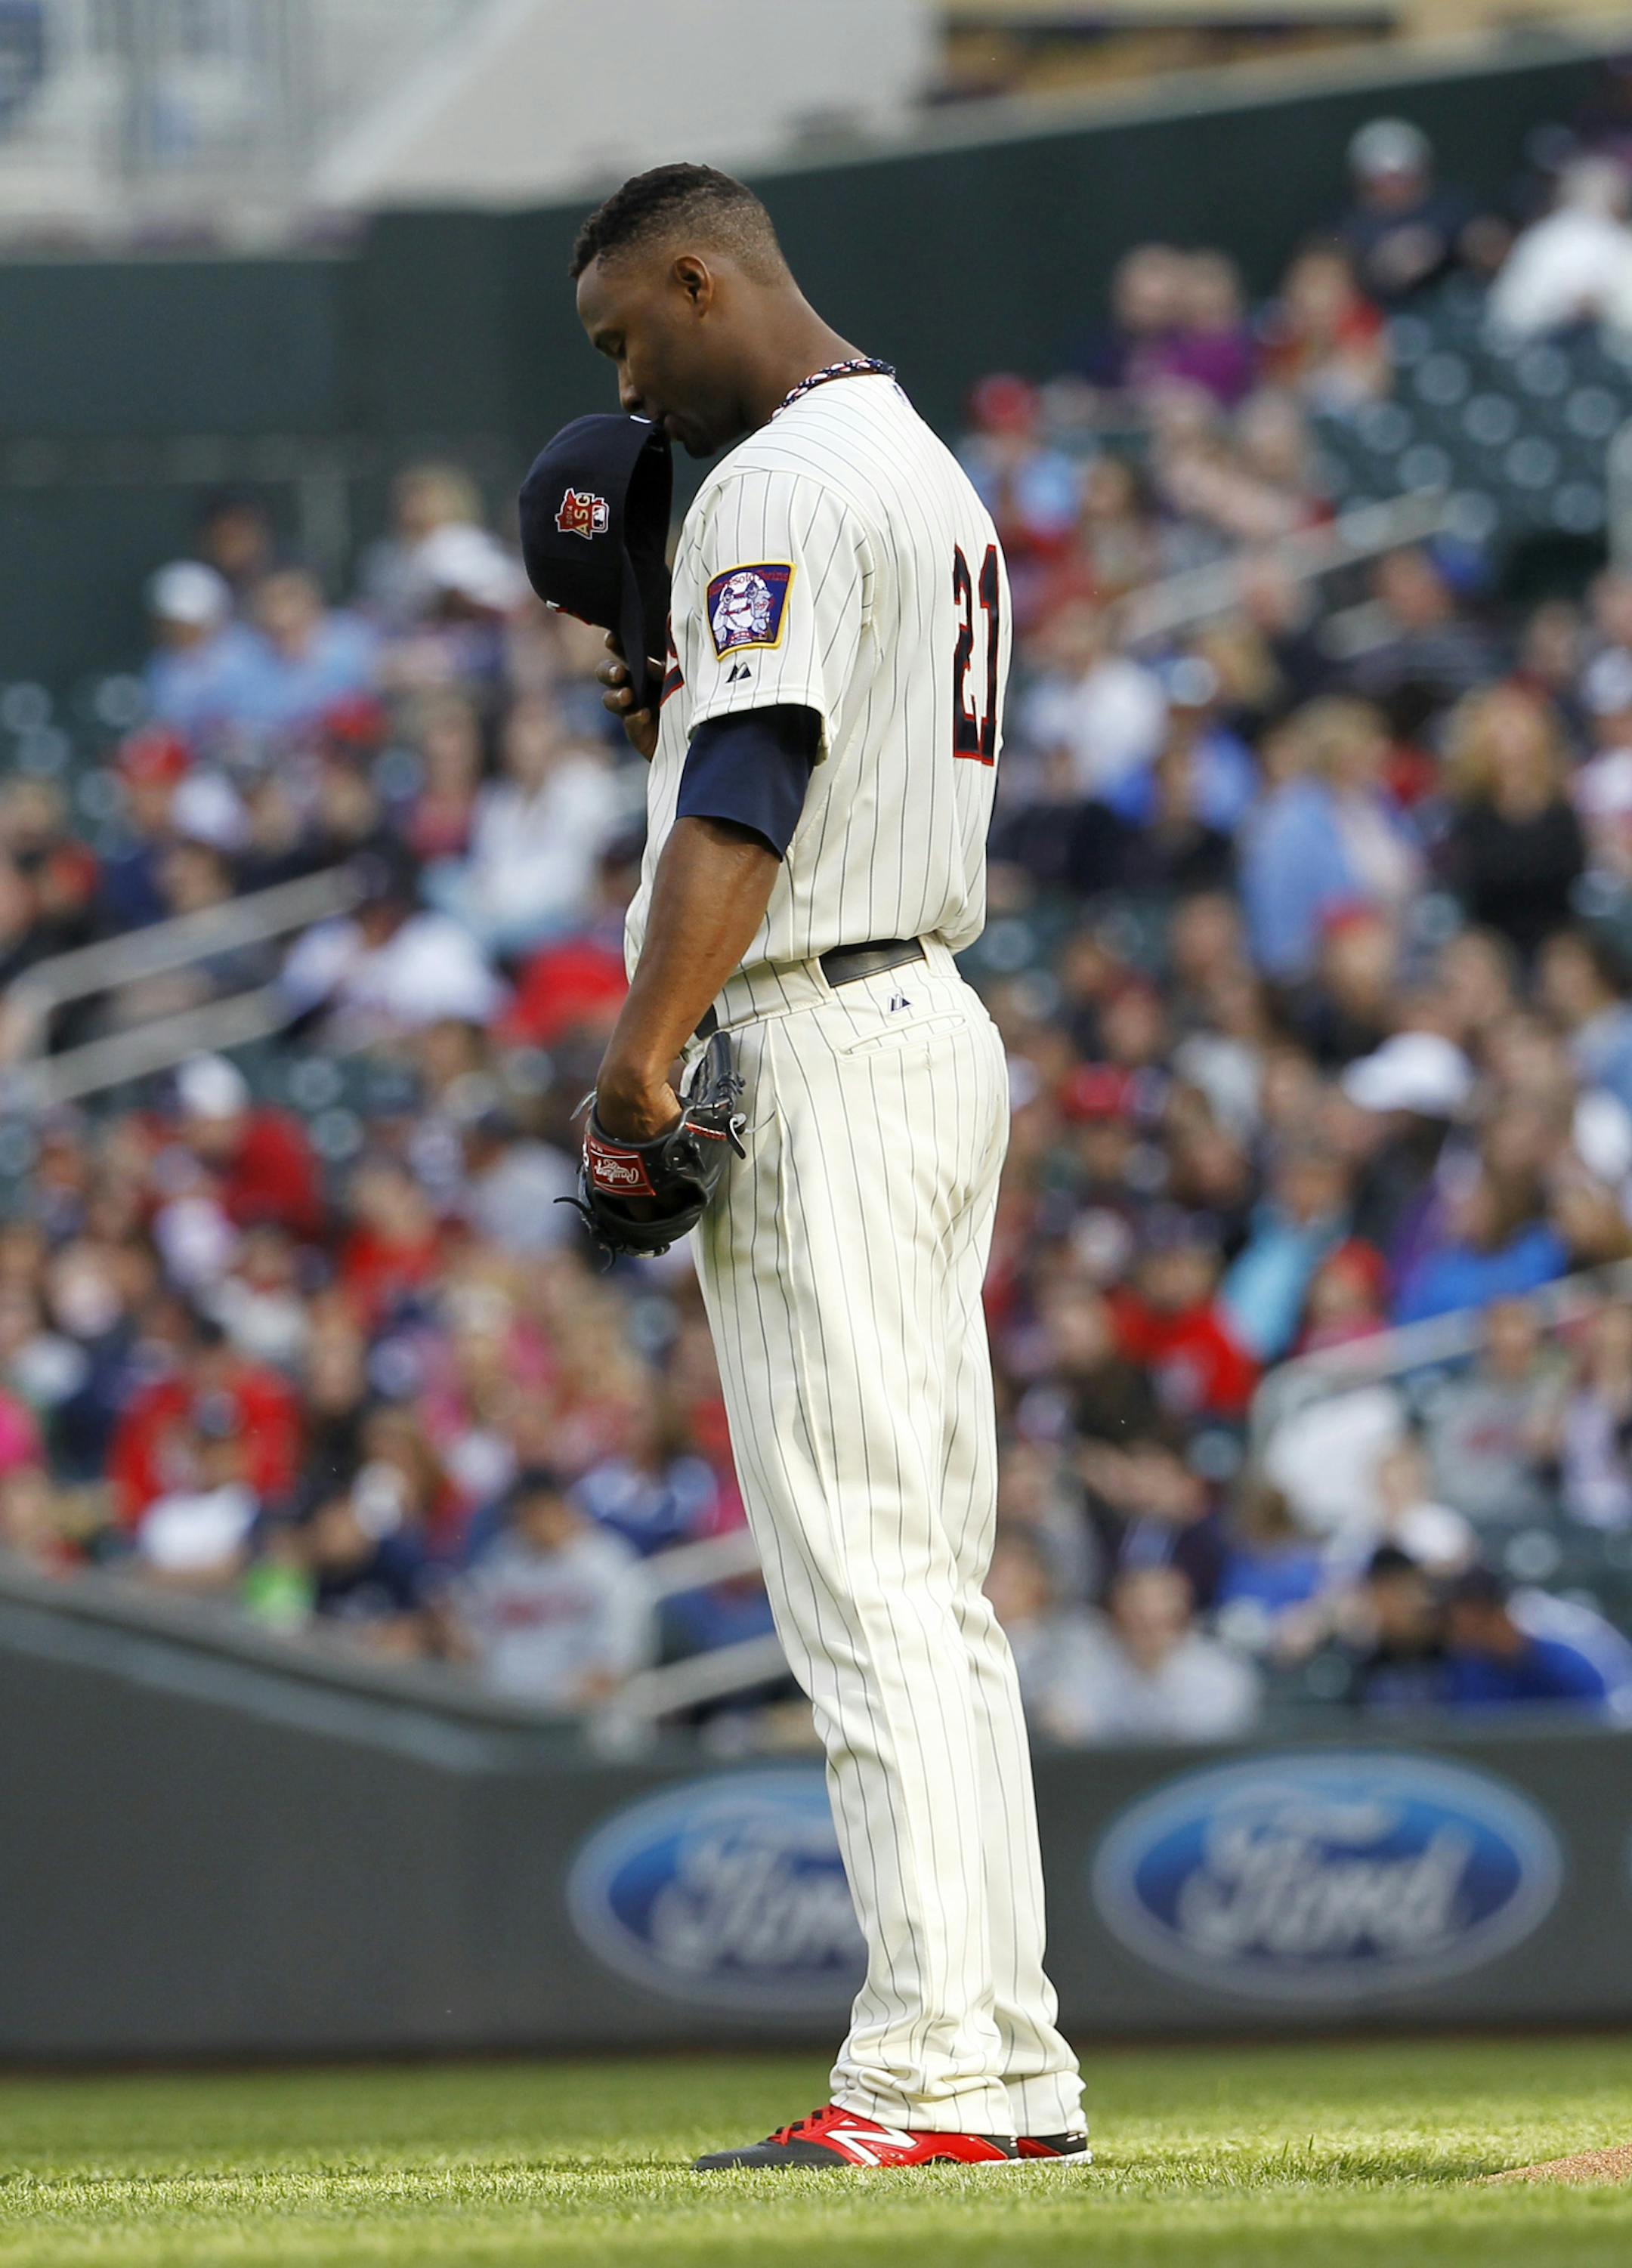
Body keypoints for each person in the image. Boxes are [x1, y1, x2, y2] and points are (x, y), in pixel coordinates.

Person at [570, 162, 1083, 2168]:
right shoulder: (920, 460)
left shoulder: (778, 479)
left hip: (821, 1029)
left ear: (706, 275)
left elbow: (754, 793)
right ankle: (1003, 2058)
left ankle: (935, 2074)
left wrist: (636, 1057)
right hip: (923, 1016)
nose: (628, 377)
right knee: (926, 1585)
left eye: (629, 330)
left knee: (869, 1580)